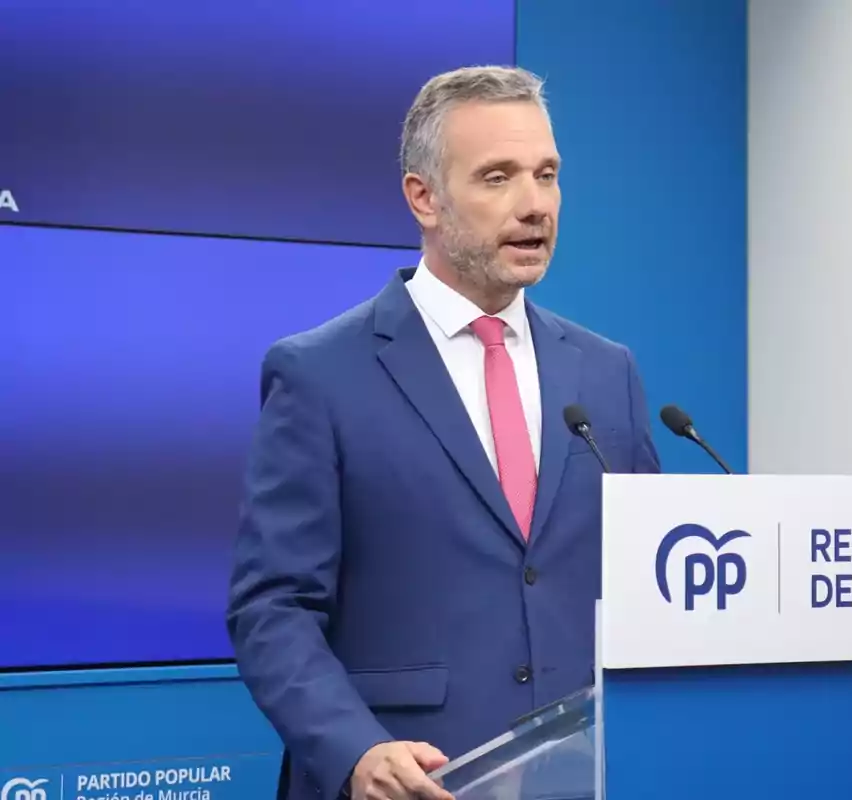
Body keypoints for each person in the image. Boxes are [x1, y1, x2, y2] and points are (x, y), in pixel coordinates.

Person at [226, 65, 661, 800]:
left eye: (546, 175)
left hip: (584, 778)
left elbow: (651, 583)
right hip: (418, 782)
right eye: (497, 177)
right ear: (422, 197)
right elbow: (272, 608)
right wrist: (357, 750)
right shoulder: (320, 374)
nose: (534, 206)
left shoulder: (605, 372)